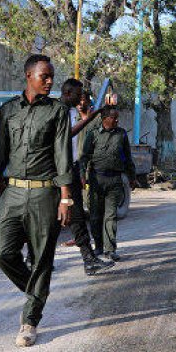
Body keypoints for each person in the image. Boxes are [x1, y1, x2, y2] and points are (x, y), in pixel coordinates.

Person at [0, 54, 74, 348]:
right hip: (13, 192)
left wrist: (66, 199)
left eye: (51, 76)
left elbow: (63, 155)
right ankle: (37, 292)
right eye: (45, 76)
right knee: (3, 253)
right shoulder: (8, 111)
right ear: (29, 76)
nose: (50, 81)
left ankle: (29, 321)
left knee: (42, 257)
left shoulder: (57, 111)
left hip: (45, 194)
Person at [58, 78, 111, 275]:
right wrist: (89, 118)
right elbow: (67, 135)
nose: (81, 98)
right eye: (78, 94)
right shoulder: (58, 111)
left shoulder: (71, 111)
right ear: (68, 93)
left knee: (77, 216)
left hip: (71, 168)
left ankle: (89, 259)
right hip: (59, 171)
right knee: (61, 217)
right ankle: (33, 259)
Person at [79, 107, 137, 262]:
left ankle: (110, 249)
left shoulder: (121, 134)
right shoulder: (93, 134)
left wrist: (132, 177)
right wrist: (82, 175)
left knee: (110, 216)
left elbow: (127, 157)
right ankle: (98, 246)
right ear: (104, 118)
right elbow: (84, 157)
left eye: (117, 117)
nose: (117, 120)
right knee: (95, 216)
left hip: (114, 180)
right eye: (113, 117)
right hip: (96, 180)